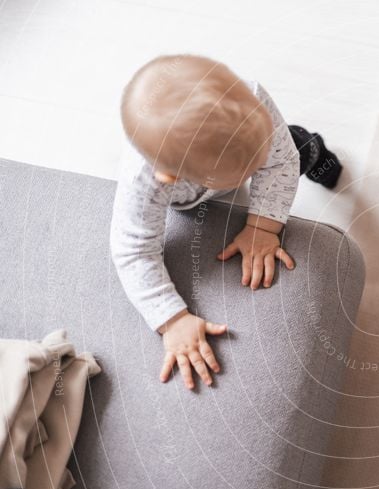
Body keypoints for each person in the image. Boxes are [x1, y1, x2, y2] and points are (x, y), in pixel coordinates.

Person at [110, 54, 342, 390]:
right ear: (171, 177)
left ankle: (319, 151)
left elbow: (279, 165)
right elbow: (132, 251)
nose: (257, 170)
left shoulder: (251, 100)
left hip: (279, 146)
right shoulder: (146, 183)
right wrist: (171, 318)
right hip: (190, 195)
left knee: (298, 147)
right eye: (247, 169)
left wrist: (263, 226)